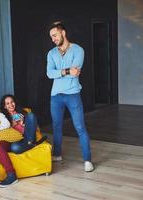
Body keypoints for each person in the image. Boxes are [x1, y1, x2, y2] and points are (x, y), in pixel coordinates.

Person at [46, 21, 94, 172]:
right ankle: (58, 154)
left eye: (54, 35)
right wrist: (66, 71)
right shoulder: (51, 53)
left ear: (63, 33)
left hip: (73, 94)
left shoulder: (78, 50)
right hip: (55, 96)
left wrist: (60, 72)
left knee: (80, 127)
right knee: (56, 126)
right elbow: (49, 73)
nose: (53, 39)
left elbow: (76, 72)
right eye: (51, 37)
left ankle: (87, 160)